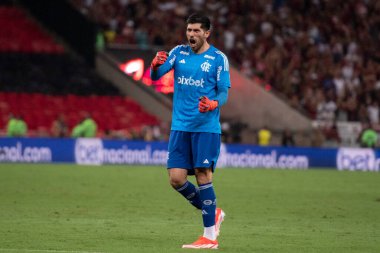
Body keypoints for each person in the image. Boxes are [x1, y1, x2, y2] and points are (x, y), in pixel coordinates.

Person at [150, 13, 230, 249]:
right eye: (189, 30)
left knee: (203, 175)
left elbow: (223, 91)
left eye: (196, 31)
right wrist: (154, 65)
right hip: (180, 127)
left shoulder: (218, 59)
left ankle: (209, 237)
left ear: (207, 33)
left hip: (205, 128)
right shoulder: (178, 52)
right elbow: (157, 75)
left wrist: (214, 103)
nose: (191, 35)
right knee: (176, 179)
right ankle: (213, 212)